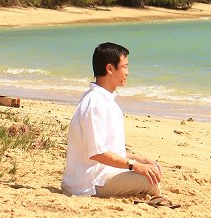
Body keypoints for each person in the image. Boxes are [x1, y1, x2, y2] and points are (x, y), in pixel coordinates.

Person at [61, 42, 163, 199]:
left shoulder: (105, 100)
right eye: (124, 67)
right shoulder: (94, 103)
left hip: (102, 175)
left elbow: (108, 148)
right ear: (110, 68)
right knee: (149, 181)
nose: (128, 72)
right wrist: (134, 166)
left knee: (151, 171)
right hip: (89, 183)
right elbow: (97, 153)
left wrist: (139, 160)